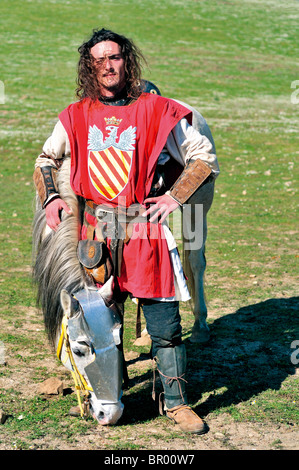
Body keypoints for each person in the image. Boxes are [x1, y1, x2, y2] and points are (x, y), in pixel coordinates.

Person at [33, 28, 219, 434]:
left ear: (126, 60)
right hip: (96, 233)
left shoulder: (157, 109)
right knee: (102, 320)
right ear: (89, 66)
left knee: (165, 325)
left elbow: (202, 158)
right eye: (98, 60)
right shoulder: (75, 115)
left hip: (144, 230)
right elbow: (45, 160)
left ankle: (176, 402)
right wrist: (51, 198)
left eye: (113, 57)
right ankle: (110, 391)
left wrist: (174, 197)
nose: (107, 66)